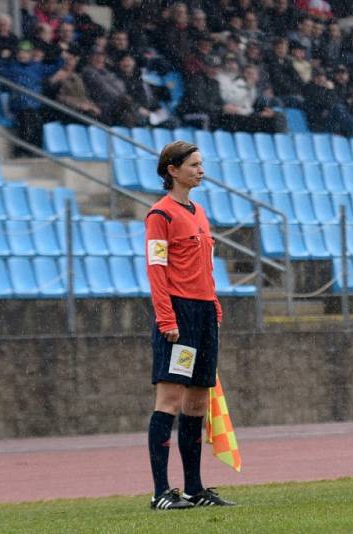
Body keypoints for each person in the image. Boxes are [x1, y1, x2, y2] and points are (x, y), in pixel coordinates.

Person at [145, 141, 235, 510]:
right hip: (179, 317)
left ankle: (195, 488)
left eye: (201, 164)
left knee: (198, 401)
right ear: (173, 170)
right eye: (194, 165)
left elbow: (205, 266)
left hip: (203, 316)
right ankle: (161, 492)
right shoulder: (160, 215)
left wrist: (213, 302)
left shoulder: (199, 212)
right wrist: (167, 318)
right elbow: (157, 270)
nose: (201, 170)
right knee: (169, 400)